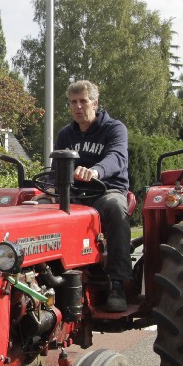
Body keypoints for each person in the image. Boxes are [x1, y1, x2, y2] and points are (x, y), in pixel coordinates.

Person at [55, 79, 131, 312]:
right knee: (41, 209)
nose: (78, 107)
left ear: (95, 103)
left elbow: (117, 157)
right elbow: (57, 168)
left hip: (106, 190)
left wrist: (96, 171)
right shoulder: (66, 134)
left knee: (116, 208)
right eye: (73, 102)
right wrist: (48, 193)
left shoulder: (114, 129)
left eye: (83, 101)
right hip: (75, 194)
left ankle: (118, 283)